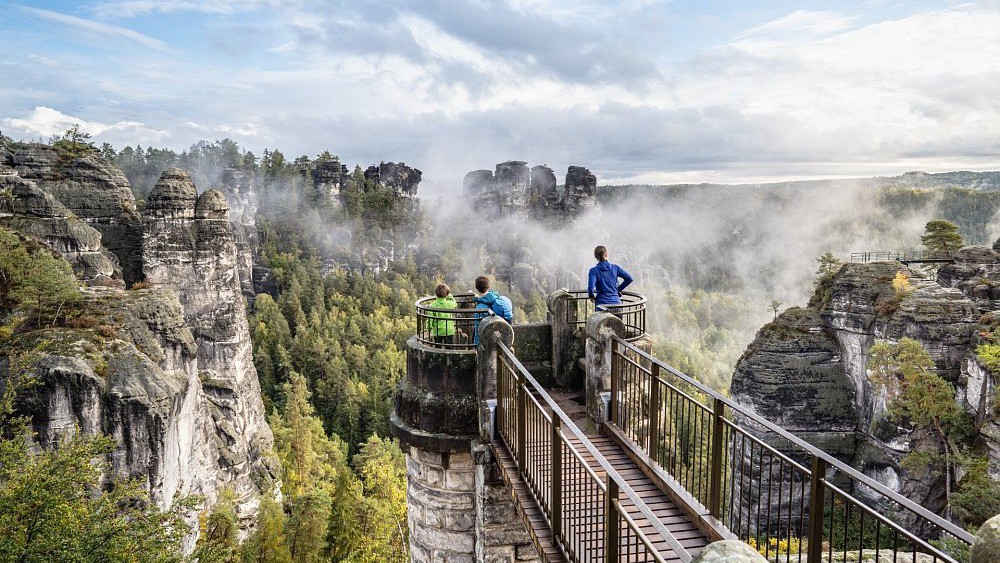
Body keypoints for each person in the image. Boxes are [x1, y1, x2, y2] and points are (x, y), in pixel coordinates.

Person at [472, 275, 513, 344]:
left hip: (488, 343)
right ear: (488, 287)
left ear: (476, 288)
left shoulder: (480, 308)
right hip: (501, 337)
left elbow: (478, 329)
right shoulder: (495, 297)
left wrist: (476, 345)